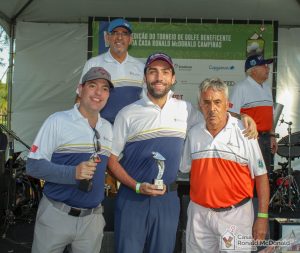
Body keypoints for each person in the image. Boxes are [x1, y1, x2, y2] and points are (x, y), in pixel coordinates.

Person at [107, 52, 258, 253]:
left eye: (165, 72)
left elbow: (213, 112)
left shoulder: (185, 110)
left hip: (167, 199)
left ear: (173, 78)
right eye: (153, 72)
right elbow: (111, 159)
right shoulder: (127, 113)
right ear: (145, 78)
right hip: (132, 198)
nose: (159, 77)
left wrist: (243, 116)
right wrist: (136, 187)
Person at [26, 67, 114, 253]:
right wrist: (72, 173)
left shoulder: (108, 128)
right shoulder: (57, 121)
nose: (99, 92)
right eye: (92, 85)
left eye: (105, 88)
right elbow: (33, 166)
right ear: (79, 89)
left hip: (92, 220)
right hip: (56, 215)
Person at [180, 78, 270, 253]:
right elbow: (184, 168)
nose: (212, 108)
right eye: (206, 102)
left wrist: (263, 216)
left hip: (236, 216)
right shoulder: (194, 134)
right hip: (200, 215)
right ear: (200, 105)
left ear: (227, 104)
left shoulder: (245, 132)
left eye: (217, 102)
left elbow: (261, 177)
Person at [80, 18, 144, 125]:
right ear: (107, 37)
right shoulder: (93, 64)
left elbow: (145, 101)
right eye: (115, 33)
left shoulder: (141, 67)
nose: (119, 37)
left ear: (130, 39)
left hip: (132, 129)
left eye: (124, 33)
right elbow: (80, 98)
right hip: (101, 129)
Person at [229, 54, 278, 175]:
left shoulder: (267, 88)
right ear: (253, 70)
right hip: (250, 139)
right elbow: (230, 114)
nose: (268, 69)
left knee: (264, 176)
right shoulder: (241, 87)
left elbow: (270, 115)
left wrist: (272, 135)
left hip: (266, 139)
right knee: (249, 176)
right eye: (264, 66)